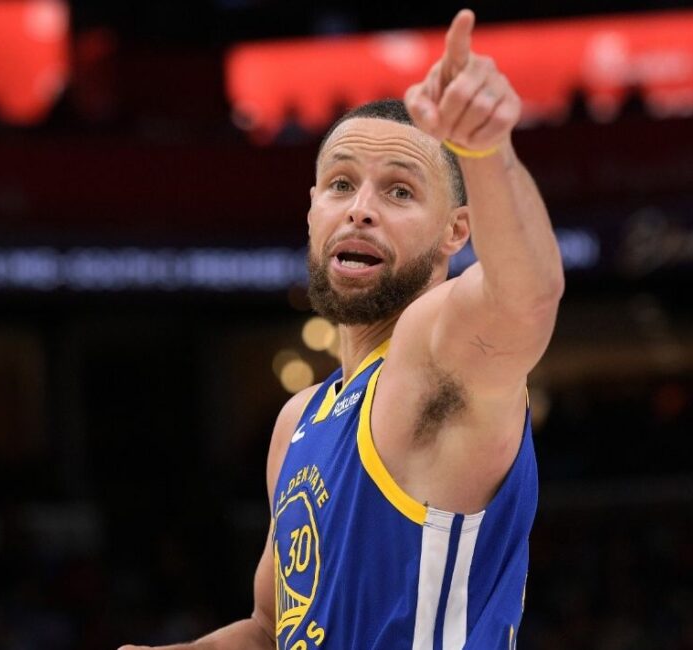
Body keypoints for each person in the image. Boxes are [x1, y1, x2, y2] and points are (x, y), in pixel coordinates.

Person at [121, 9, 563, 649]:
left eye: (400, 192)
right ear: (310, 213)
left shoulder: (436, 356)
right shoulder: (298, 420)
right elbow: (273, 629)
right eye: (340, 184)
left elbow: (526, 297)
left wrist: (489, 150)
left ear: (456, 232)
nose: (360, 209)